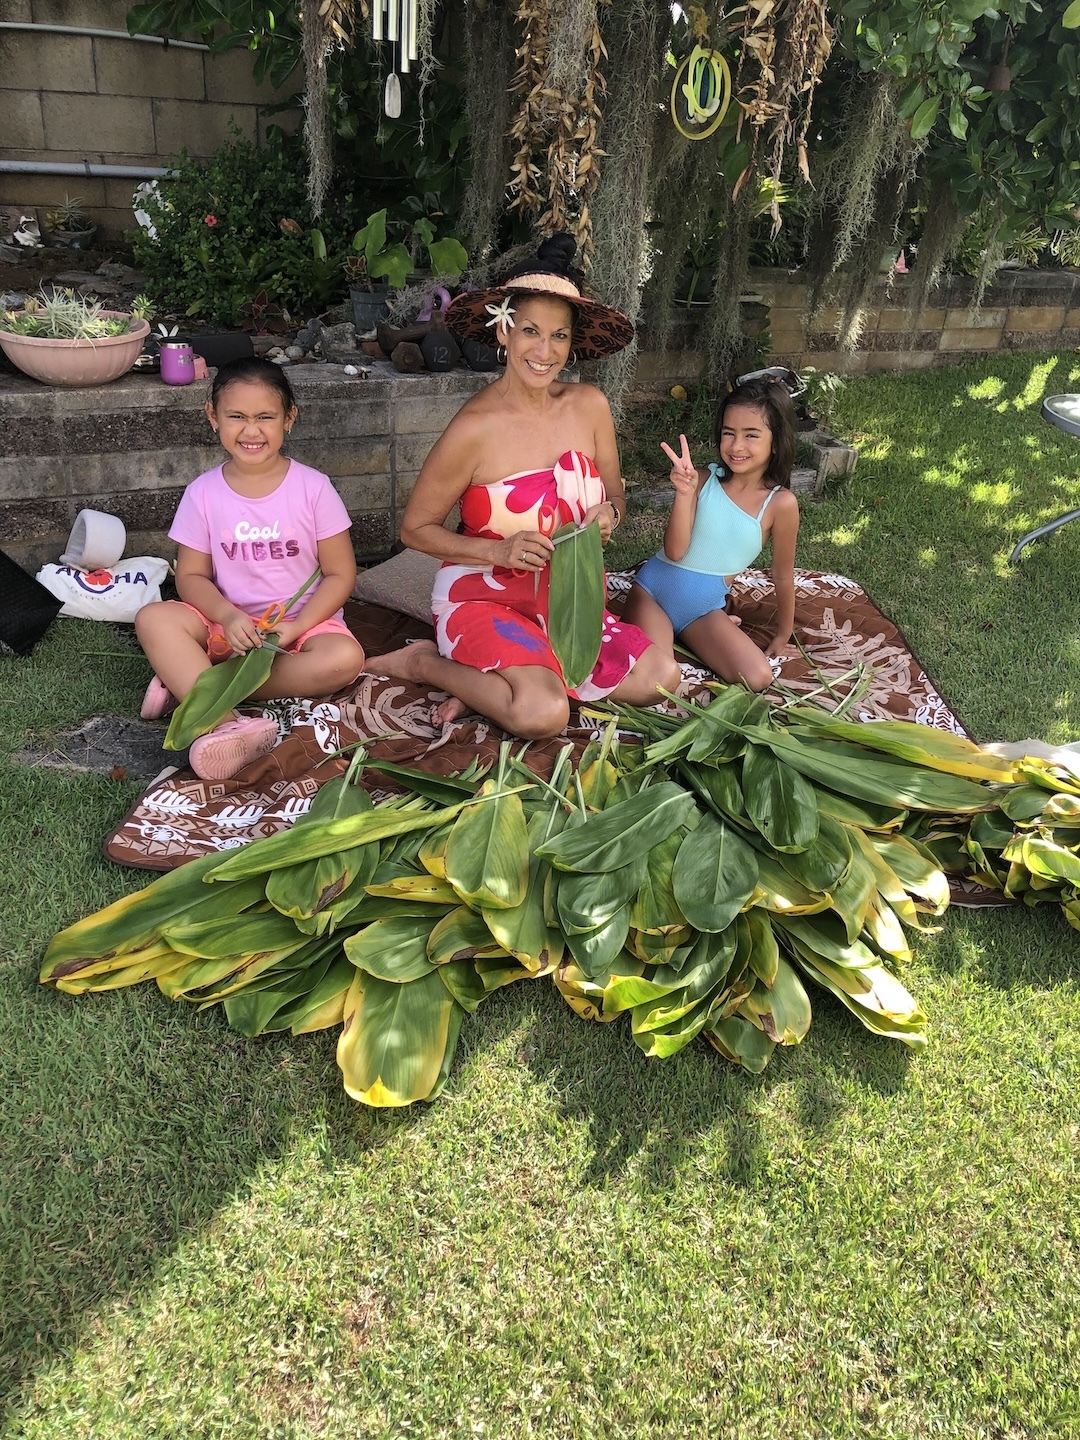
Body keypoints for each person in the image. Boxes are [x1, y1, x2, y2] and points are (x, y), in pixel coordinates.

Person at [370, 235, 681, 738]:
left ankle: (495, 682)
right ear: (504, 331)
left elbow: (616, 496)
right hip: (484, 596)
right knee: (543, 714)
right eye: (530, 331)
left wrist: (610, 515)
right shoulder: (475, 427)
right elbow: (415, 530)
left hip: (569, 598)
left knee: (660, 679)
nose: (544, 351)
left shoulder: (590, 406)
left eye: (559, 336)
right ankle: (425, 663)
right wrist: (499, 552)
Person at [135, 356, 366, 780]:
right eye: (236, 416)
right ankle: (226, 727)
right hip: (226, 625)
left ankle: (191, 684)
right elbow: (190, 577)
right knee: (153, 617)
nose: (251, 430)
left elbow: (340, 574)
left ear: (289, 419)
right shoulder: (203, 494)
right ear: (213, 417)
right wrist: (226, 615)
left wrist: (297, 628)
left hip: (299, 628)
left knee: (345, 659)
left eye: (265, 417)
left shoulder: (314, 489)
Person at [622, 376, 800, 692]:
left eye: (751, 435)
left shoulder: (780, 504)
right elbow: (675, 551)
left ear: (776, 442)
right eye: (728, 433)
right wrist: (683, 493)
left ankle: (692, 634)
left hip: (702, 611)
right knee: (655, 681)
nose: (736, 446)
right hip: (653, 595)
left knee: (758, 677)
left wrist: (783, 632)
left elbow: (783, 575)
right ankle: (667, 635)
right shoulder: (703, 480)